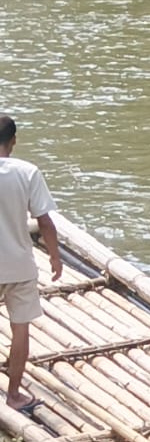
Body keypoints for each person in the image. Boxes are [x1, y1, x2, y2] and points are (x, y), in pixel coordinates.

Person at [0, 115, 63, 412]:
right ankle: (13, 394)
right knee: (20, 329)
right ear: (13, 141)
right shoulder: (27, 172)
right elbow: (45, 222)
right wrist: (54, 256)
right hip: (19, 266)